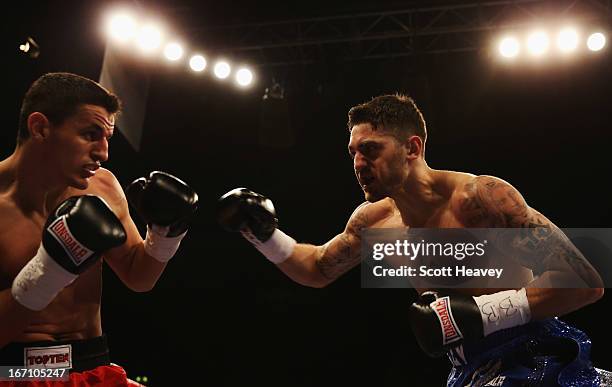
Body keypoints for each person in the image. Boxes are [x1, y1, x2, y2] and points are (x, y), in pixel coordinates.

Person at [217, 94, 605, 386]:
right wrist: (263, 235)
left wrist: (484, 312)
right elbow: (318, 268)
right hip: (467, 368)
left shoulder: (479, 199)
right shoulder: (375, 220)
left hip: (533, 354)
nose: (357, 164)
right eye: (352, 153)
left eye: (370, 150)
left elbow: (587, 282)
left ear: (412, 148)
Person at [0, 72, 198, 385]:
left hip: (93, 366)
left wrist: (165, 234)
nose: (103, 153)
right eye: (90, 134)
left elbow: (139, 276)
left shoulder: (102, 186)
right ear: (40, 127)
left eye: (107, 138)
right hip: (14, 373)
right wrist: (49, 270)